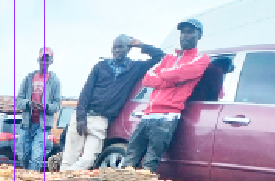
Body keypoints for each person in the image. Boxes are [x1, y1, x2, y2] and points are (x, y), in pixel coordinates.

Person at [60, 36, 164, 172]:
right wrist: (80, 118)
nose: (117, 50)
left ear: (128, 49)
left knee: (89, 159)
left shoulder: (134, 68)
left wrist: (141, 45)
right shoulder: (100, 67)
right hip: (83, 116)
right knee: (69, 158)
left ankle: (67, 179)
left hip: (101, 120)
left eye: (121, 47)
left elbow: (160, 57)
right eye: (115, 47)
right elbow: (85, 93)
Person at [123, 19, 209, 173]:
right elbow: (147, 78)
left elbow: (182, 72)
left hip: (167, 116)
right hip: (147, 114)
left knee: (150, 161)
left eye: (190, 32)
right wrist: (171, 81)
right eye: (183, 32)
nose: (185, 36)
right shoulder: (168, 58)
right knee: (130, 157)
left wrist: (162, 76)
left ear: (199, 35)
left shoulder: (201, 59)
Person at [16, 47, 61, 172]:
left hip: (42, 127)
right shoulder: (28, 79)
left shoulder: (55, 81)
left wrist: (45, 107)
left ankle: (31, 180)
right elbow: (18, 101)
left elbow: (57, 105)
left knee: (36, 156)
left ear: (51, 61)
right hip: (27, 124)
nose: (44, 62)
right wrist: (28, 104)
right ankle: (26, 175)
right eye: (42, 59)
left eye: (47, 60)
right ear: (38, 60)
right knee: (23, 154)